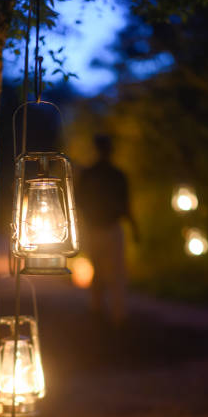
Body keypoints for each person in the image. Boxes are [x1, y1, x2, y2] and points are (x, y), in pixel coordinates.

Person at [76, 134, 139, 326]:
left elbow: (78, 202)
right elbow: (125, 204)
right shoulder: (115, 174)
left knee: (102, 272)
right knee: (114, 272)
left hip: (100, 227)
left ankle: (102, 311)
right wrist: (135, 228)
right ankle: (113, 314)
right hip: (107, 227)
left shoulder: (92, 174)